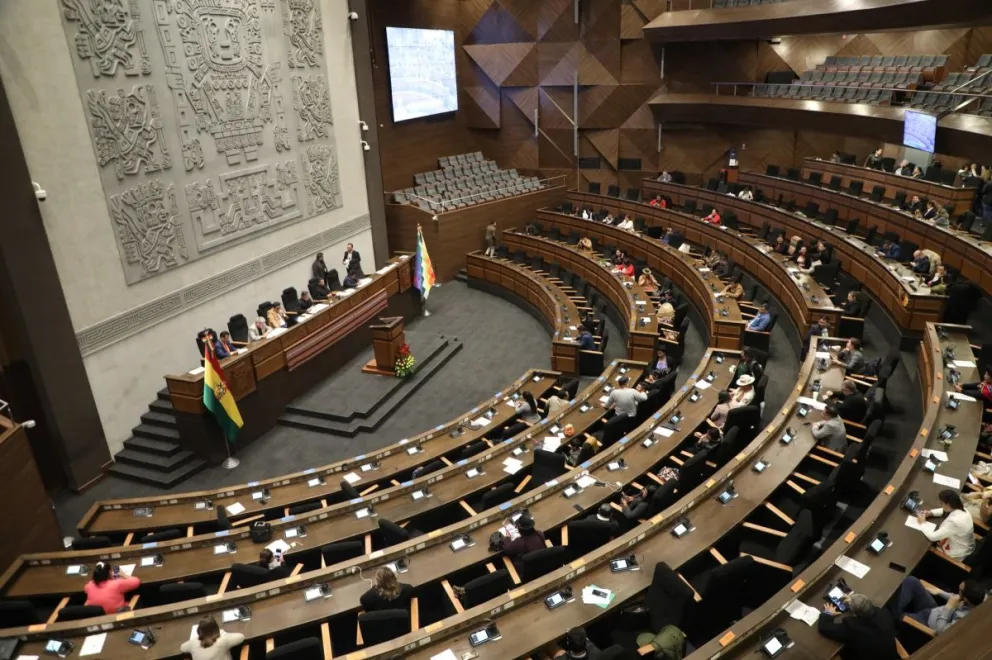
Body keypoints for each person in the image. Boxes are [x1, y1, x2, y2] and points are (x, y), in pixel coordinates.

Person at [887, 577, 985, 634]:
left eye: (960, 590)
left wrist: (948, 607)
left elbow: (940, 631)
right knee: (911, 581)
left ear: (966, 599)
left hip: (927, 623)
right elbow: (955, 597)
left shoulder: (963, 619)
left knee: (897, 617)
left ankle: (892, 614)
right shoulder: (976, 599)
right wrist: (939, 592)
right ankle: (894, 609)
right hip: (933, 610)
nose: (957, 591)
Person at [818, 593, 899, 660]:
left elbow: (824, 627)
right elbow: (870, 608)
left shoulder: (853, 628)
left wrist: (828, 613)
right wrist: (856, 602)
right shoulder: (884, 614)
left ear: (854, 613)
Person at [916, 489, 976, 559]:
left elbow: (933, 537)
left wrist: (922, 523)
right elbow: (945, 510)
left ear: (948, 504)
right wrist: (931, 513)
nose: (941, 505)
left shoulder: (954, 522)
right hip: (961, 542)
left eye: (941, 503)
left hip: (956, 553)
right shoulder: (963, 510)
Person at [180, 616, 246, 660]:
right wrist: (221, 632)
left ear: (199, 630)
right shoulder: (223, 639)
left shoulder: (193, 643)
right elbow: (241, 637)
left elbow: (182, 648)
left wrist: (197, 638)